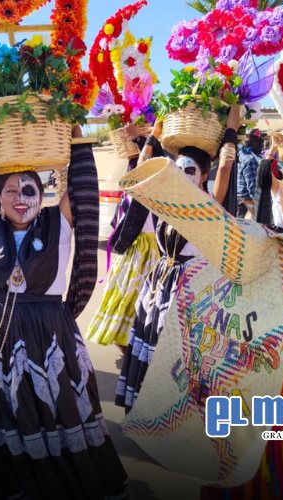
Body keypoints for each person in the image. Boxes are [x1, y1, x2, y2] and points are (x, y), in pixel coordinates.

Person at [117, 130, 283, 497]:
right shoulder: (237, 243)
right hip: (246, 332)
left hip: (267, 339)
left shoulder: (251, 244)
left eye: (192, 172)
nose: (187, 175)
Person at [0, 126, 129, 499]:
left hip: (48, 334)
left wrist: (74, 134)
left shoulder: (60, 222)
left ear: (42, 196)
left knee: (55, 409)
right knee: (0, 412)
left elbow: (84, 187)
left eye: (29, 191)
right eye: (11, 190)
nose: (20, 198)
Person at [116, 106, 241, 412]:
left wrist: (232, 123)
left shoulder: (209, 205)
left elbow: (226, 164)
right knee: (152, 347)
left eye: (190, 171)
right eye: (179, 169)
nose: (183, 176)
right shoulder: (166, 199)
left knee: (177, 355)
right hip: (159, 286)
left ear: (204, 176)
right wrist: (156, 133)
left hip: (190, 291)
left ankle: (176, 419)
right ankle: (149, 414)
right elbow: (141, 169)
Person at [86, 131, 158, 349]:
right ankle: (129, 347)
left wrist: (153, 135)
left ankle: (134, 348)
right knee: (124, 301)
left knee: (135, 303)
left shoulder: (152, 179)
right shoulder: (134, 177)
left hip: (147, 250)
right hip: (134, 250)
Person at [236, 128, 263, 218]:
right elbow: (254, 189)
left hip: (239, 203)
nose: (262, 145)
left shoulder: (240, 154)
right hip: (247, 206)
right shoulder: (251, 159)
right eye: (260, 142)